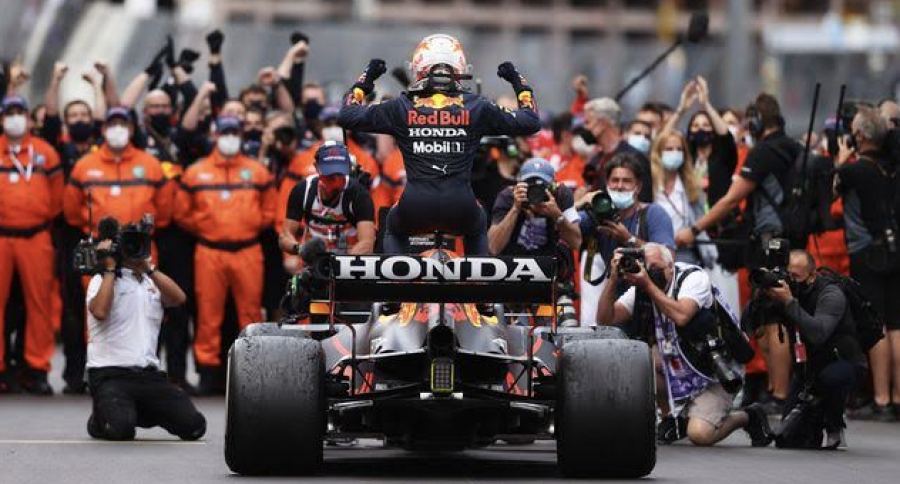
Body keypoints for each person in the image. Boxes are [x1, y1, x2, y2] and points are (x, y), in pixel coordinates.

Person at [338, 34, 540, 255]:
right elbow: (530, 121)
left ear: (418, 68)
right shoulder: (478, 106)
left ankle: (396, 283)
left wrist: (366, 80)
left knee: (392, 226)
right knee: (479, 224)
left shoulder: (401, 106)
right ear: (460, 69)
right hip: (461, 207)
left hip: (414, 206)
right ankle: (478, 284)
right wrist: (517, 80)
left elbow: (347, 115)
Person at [675, 93, 803, 412]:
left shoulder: (763, 152)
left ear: (758, 122)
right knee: (780, 320)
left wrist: (694, 229)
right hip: (792, 239)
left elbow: (732, 199)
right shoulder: (794, 148)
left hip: (769, 241)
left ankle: (778, 393)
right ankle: (778, 390)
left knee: (772, 323)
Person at [597, 243, 772, 447]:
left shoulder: (692, 278)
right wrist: (613, 278)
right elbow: (605, 319)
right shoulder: (641, 287)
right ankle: (672, 417)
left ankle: (749, 416)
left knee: (700, 435)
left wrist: (647, 285)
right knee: (637, 359)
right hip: (678, 360)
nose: (650, 272)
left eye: (656, 267)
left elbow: (682, 315)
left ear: (671, 266)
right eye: (647, 266)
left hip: (714, 369)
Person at [64, 107, 173, 392]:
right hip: (101, 249)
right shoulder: (85, 165)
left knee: (148, 307)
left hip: (139, 247)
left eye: (122, 123)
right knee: (97, 308)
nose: (117, 128)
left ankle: (147, 368)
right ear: (103, 129)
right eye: (111, 123)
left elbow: (166, 208)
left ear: (131, 127)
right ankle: (96, 372)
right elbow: (71, 211)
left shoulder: (150, 164)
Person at [175, 116, 276, 394]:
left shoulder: (257, 171)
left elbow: (270, 210)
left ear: (241, 135)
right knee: (208, 316)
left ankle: (254, 372)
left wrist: (251, 224)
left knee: (251, 314)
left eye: (234, 131)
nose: (230, 136)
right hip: (209, 251)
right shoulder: (196, 172)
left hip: (248, 250)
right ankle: (207, 373)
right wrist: (207, 228)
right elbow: (181, 213)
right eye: (225, 131)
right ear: (215, 134)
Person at [85, 230, 206, 441]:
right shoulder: (101, 280)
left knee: (194, 427)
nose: (133, 252)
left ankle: (130, 409)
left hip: (148, 376)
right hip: (110, 374)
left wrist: (149, 269)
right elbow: (100, 311)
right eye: (128, 247)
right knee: (121, 431)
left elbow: (179, 298)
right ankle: (100, 418)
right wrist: (110, 269)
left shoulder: (152, 283)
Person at [834, 106, 900, 421]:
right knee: (897, 326)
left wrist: (840, 158)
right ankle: (897, 396)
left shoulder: (854, 169)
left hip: (867, 254)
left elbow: (832, 186)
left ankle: (882, 398)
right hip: (894, 249)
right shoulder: (892, 167)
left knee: (878, 327)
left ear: (859, 135)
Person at [764, 250, 867, 447]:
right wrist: (762, 293)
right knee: (788, 441)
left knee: (830, 379)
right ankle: (814, 423)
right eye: (788, 275)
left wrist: (789, 302)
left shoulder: (831, 293)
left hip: (844, 361)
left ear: (812, 275)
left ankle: (834, 424)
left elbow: (818, 333)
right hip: (808, 367)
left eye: (796, 276)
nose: (791, 281)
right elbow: (750, 324)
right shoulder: (789, 289)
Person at [0, 94, 63, 394]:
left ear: (28, 117)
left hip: (36, 236)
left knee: (40, 304)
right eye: (8, 112)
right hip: (1, 236)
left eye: (19, 112)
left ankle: (37, 367)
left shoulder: (45, 153)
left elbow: (57, 198)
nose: (14, 117)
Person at [577, 153, 675, 328]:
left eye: (626, 181)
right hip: (616, 299)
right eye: (614, 180)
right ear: (606, 185)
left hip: (651, 299)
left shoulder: (653, 213)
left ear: (638, 187)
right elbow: (565, 227)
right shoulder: (599, 214)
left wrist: (628, 239)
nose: (620, 186)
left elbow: (669, 257)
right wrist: (580, 202)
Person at [278, 141, 376, 260]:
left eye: (340, 172)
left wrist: (340, 264)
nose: (335, 178)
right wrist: (300, 249)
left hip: (349, 262)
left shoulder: (359, 195)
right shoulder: (303, 190)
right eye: (329, 173)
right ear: (316, 167)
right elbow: (285, 236)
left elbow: (367, 244)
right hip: (314, 261)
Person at [648, 129, 716, 267]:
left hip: (685, 255)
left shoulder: (692, 185)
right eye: (669, 149)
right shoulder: (649, 185)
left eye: (679, 149)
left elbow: (700, 219)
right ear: (658, 153)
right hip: (653, 254)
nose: (675, 153)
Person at [488, 157, 581, 257]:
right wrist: (515, 209)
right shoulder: (509, 196)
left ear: (553, 186)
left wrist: (557, 215)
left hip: (550, 263)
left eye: (542, 185)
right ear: (519, 184)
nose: (536, 190)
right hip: (513, 262)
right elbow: (493, 248)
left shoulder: (561, 195)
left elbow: (576, 243)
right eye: (529, 184)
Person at [579, 97, 653, 202]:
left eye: (587, 122)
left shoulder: (635, 158)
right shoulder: (594, 161)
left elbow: (644, 200)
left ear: (602, 123)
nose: (585, 128)